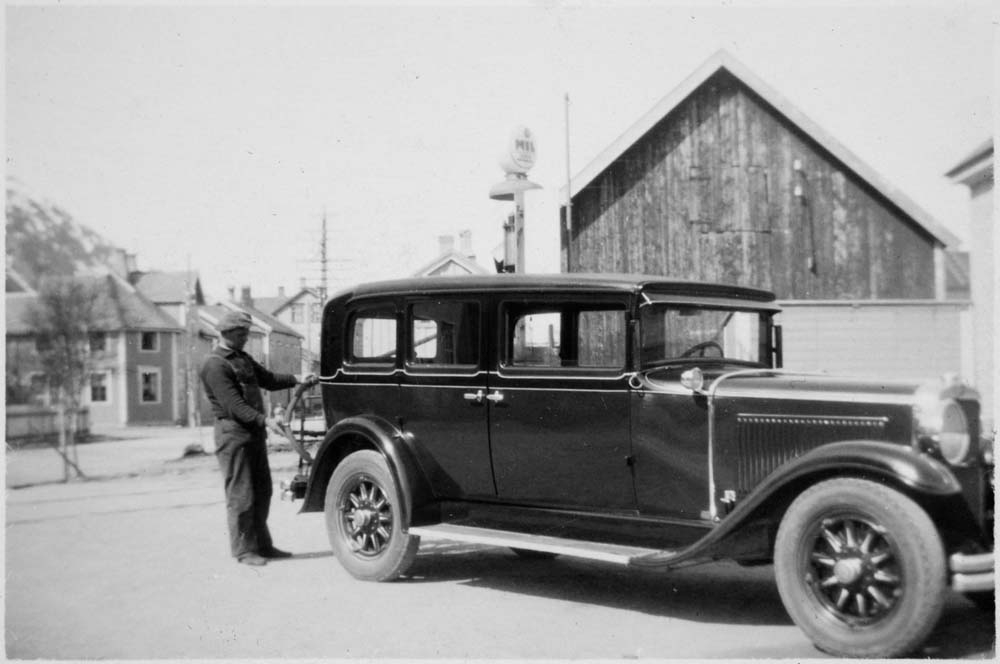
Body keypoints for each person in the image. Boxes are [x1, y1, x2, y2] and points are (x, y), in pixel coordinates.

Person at [200, 310, 317, 566]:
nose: (244, 338)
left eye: (246, 334)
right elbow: (234, 406)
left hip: (252, 434)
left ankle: (263, 545)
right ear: (226, 333)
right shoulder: (215, 364)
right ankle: (244, 550)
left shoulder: (241, 358)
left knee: (263, 491)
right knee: (241, 494)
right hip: (232, 435)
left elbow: (268, 379)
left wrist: (297, 379)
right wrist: (267, 421)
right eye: (241, 334)